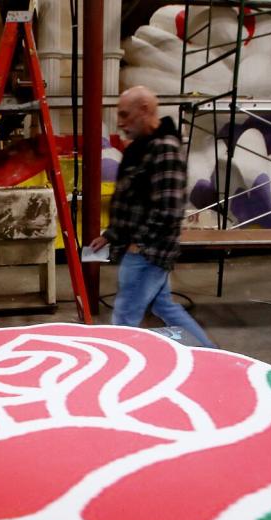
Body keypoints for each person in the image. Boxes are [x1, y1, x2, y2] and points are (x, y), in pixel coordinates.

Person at [89, 86, 217, 348]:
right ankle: (213, 355)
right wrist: (110, 235)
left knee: (124, 320)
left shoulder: (164, 149)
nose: (121, 122)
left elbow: (169, 209)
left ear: (144, 110)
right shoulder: (143, 148)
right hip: (143, 248)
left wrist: (142, 244)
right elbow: (131, 200)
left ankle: (119, 376)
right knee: (165, 309)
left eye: (125, 115)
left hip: (148, 253)